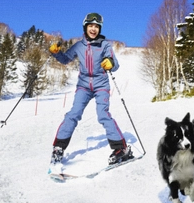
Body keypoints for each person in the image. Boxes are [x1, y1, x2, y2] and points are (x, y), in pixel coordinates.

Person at [48, 13, 133, 175]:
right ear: (85, 27)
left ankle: (121, 149)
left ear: (99, 29)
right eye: (90, 26)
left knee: (103, 115)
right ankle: (58, 148)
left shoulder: (105, 45)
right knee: (73, 114)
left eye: (96, 26)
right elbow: (66, 59)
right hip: (84, 86)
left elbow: (115, 65)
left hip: (101, 85)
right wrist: (56, 53)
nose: (93, 29)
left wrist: (110, 63)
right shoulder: (79, 46)